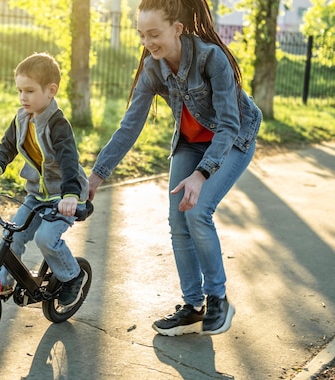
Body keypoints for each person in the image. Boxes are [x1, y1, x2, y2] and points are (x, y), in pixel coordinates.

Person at [88, 0, 262, 336]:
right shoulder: (153, 68)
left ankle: (218, 298)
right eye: (141, 35)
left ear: (177, 29)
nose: (147, 42)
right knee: (176, 217)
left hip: (235, 137)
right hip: (190, 141)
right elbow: (129, 127)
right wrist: (96, 175)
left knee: (198, 211)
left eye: (154, 34)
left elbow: (227, 125)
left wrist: (201, 174)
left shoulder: (212, 59)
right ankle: (193, 306)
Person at [0, 52, 89, 308]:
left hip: (64, 196)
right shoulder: (21, 118)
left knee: (45, 239)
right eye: (19, 90)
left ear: (51, 90)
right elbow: (8, 145)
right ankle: (3, 282)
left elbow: (68, 161)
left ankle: (72, 276)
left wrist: (70, 195)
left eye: (29, 91)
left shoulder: (57, 124)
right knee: (12, 233)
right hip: (37, 196)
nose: (22, 97)